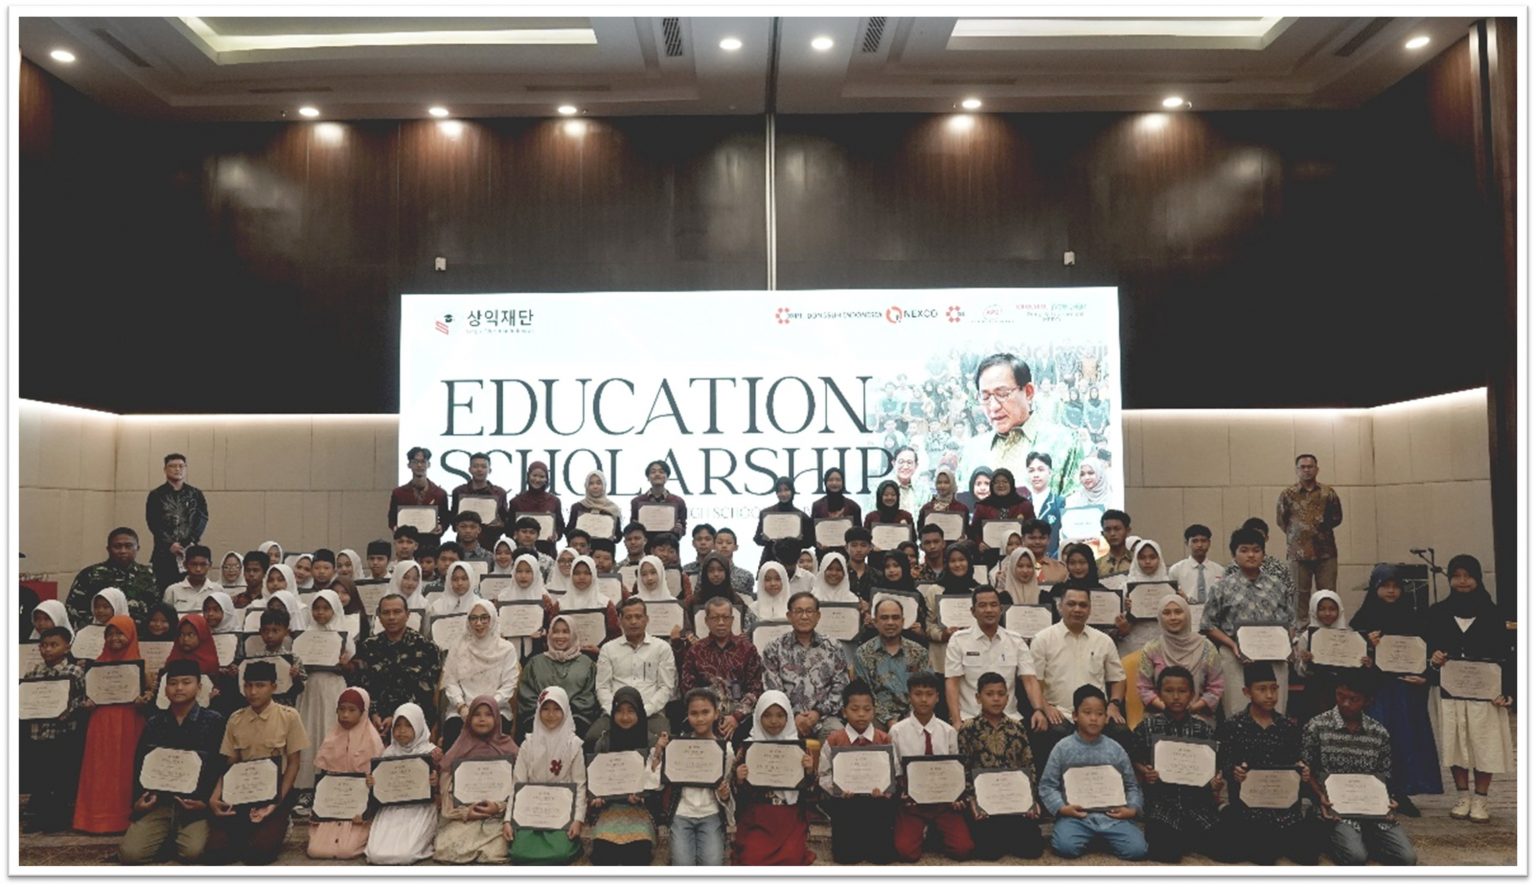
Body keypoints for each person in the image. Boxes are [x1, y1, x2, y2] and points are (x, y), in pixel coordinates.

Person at [1348, 565, 1442, 814]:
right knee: (1377, 739)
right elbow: (1350, 654)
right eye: (1385, 586)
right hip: (1376, 690)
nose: (1391, 591)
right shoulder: (1363, 619)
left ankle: (1401, 792)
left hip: (1404, 690)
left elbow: (1428, 651)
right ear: (1375, 588)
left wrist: (1425, 676)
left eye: (1396, 586)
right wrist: (1367, 645)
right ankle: (1375, 791)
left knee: (1404, 739)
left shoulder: (1414, 617)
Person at [1426, 554, 1513, 824]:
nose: (1462, 581)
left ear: (1478, 578)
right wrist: (1434, 658)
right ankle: (1463, 796)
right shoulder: (1437, 612)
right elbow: (1427, 649)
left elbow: (1508, 656)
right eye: (1457, 576)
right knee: (1456, 743)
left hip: (1485, 695)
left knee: (1484, 744)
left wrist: (1508, 691)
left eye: (1468, 576)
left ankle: (1481, 799)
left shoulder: (1494, 613)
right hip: (1451, 692)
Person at [1303, 671, 1419, 866]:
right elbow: (1305, 770)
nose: (1345, 703)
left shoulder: (1378, 732)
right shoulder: (1317, 726)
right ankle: (1332, 835)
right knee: (1355, 857)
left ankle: (1364, 838)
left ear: (1368, 701)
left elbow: (1384, 774)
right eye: (1340, 696)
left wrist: (1389, 800)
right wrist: (1319, 796)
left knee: (1407, 858)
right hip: (1335, 809)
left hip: (1373, 809)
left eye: (1353, 699)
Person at [118, 659, 225, 864]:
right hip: (159, 803)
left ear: (199, 686)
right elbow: (140, 764)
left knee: (192, 853)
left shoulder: (214, 721)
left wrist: (204, 802)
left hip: (194, 805)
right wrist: (138, 801)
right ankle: (166, 837)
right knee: (130, 855)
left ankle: (172, 839)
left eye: (186, 682)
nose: (179, 688)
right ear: (165, 689)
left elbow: (220, 766)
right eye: (173, 683)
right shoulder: (154, 723)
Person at [1212, 662, 1317, 865]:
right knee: (1252, 854)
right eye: (1262, 689)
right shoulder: (1233, 726)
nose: (1270, 695)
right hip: (1248, 808)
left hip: (1284, 809)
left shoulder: (1287, 726)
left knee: (1309, 855)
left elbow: (1297, 762)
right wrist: (1234, 771)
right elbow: (1224, 762)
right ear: (1247, 692)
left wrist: (1303, 771)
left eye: (1274, 689)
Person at [203, 661, 307, 864]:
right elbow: (230, 764)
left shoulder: (289, 717)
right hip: (242, 792)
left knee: (259, 854)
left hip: (275, 792)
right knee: (216, 852)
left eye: (260, 685)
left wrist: (276, 802)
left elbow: (294, 763)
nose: (253, 692)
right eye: (248, 685)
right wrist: (214, 797)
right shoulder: (236, 719)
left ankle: (282, 823)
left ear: (273, 687)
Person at [1038, 684, 1148, 861]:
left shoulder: (1115, 749)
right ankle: (1091, 837)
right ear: (1075, 715)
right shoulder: (1062, 748)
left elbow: (1132, 785)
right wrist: (1062, 808)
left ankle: (1101, 838)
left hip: (1112, 817)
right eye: (1087, 712)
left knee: (1137, 850)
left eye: (1100, 714)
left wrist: (1132, 810)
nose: (1094, 719)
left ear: (1106, 717)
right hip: (1076, 817)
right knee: (1066, 846)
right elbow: (1047, 785)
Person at [1026, 587, 1131, 768]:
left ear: (1090, 609)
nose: (1077, 609)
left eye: (1083, 605)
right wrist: (1045, 707)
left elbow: (1118, 678)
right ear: (1060, 606)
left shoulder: (1103, 640)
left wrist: (1114, 705)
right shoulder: (1042, 639)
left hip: (1097, 714)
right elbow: (1035, 681)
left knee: (1121, 731)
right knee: (1052, 732)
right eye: (1071, 604)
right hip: (1060, 713)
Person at [1130, 666, 1226, 862]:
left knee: (1226, 850)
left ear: (1191, 694)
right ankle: (1183, 838)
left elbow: (1215, 767)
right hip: (1163, 805)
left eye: (1182, 691)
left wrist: (1215, 782)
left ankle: (1188, 837)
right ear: (1159, 694)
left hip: (1197, 804)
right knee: (1166, 853)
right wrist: (1145, 772)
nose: (1176, 697)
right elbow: (1134, 759)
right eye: (1169, 691)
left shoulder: (1203, 729)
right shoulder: (1147, 727)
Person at [1202, 526, 1295, 718]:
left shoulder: (1278, 585)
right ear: (1234, 555)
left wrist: (1287, 646)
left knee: (1275, 712)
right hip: (1235, 657)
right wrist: (1232, 645)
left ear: (1263, 554)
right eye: (1244, 550)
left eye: (1256, 550)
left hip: (1274, 656)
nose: (1251, 555)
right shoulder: (1222, 587)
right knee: (1237, 713)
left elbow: (1291, 621)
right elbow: (1207, 625)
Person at [962, 353, 1084, 498]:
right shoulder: (972, 451)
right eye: (985, 397)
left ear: (1028, 392)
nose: (993, 406)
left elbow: (1078, 506)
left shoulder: (1064, 443)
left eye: (1002, 394)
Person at [74, 614, 151, 833]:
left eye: (120, 633)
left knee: (126, 769)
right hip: (101, 723)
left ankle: (123, 819)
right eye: (110, 634)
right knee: (100, 769)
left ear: (131, 635)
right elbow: (87, 695)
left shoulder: (139, 666)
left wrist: (144, 699)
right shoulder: (97, 664)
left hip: (129, 722)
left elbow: (149, 693)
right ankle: (94, 819)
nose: (115, 638)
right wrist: (87, 703)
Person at [956, 671, 1042, 860]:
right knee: (989, 852)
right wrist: (972, 802)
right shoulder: (968, 729)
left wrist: (1031, 799)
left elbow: (1028, 765)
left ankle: (1009, 834)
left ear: (1007, 697)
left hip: (1013, 800)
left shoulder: (1017, 728)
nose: (996, 699)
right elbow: (963, 769)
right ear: (978, 698)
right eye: (989, 694)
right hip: (984, 804)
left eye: (1001, 694)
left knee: (1032, 850)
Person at [890, 671, 974, 862]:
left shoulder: (948, 731)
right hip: (912, 804)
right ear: (909, 697)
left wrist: (956, 796)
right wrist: (903, 792)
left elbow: (955, 770)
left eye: (929, 694)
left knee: (962, 849)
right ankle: (921, 829)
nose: (924, 699)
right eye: (918, 694)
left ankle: (934, 832)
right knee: (906, 853)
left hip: (944, 803)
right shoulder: (897, 731)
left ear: (938, 697)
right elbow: (896, 770)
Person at [814, 679, 897, 864]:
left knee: (882, 858)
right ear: (844, 712)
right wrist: (837, 788)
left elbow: (895, 772)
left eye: (867, 709)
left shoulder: (884, 739)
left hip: (877, 803)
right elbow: (823, 774)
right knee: (846, 857)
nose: (861, 714)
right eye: (854, 709)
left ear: (874, 711)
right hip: (846, 804)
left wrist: (885, 789)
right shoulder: (834, 740)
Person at [731, 690, 816, 865]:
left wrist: (808, 771)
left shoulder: (798, 748)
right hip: (758, 817)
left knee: (791, 858)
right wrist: (739, 778)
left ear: (788, 717)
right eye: (767, 715)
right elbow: (739, 791)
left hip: (789, 817)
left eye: (780, 715)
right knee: (751, 858)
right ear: (758, 717)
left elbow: (809, 789)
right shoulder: (748, 747)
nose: (774, 721)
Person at [504, 687, 587, 864]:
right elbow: (517, 783)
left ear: (565, 710)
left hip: (561, 811)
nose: (551, 715)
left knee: (561, 853)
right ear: (538, 710)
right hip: (531, 809)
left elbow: (580, 786)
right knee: (519, 852)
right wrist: (508, 820)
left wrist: (578, 820)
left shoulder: (573, 745)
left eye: (557, 709)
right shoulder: (528, 744)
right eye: (546, 709)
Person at [434, 695, 518, 864]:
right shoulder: (460, 747)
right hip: (465, 816)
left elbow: (518, 785)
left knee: (497, 850)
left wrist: (499, 807)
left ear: (497, 718)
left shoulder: (508, 747)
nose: (482, 719)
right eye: (477, 714)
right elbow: (446, 787)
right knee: (446, 847)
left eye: (488, 714)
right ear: (469, 718)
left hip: (497, 817)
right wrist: (465, 812)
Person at [943, 587, 1043, 726]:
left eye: (994, 605)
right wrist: (956, 720)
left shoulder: (1015, 640)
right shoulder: (958, 640)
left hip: (1010, 719)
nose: (989, 610)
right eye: (982, 605)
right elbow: (952, 683)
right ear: (973, 611)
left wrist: (1038, 710)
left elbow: (1030, 679)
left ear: (1001, 609)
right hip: (970, 719)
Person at [587, 687, 663, 865]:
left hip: (640, 810)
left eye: (630, 711)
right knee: (603, 854)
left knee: (637, 855)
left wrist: (643, 795)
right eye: (619, 711)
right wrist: (598, 798)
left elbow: (656, 781)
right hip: (609, 809)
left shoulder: (651, 742)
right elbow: (596, 779)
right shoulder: (604, 742)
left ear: (639, 713)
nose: (625, 717)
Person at [305, 686, 384, 860]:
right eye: (341, 709)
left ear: (363, 712)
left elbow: (379, 784)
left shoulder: (373, 741)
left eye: (352, 710)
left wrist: (367, 812)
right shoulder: (331, 738)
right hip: (332, 808)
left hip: (359, 813)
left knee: (346, 850)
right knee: (316, 850)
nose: (345, 715)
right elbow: (323, 781)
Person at [760, 592, 850, 740]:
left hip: (825, 717)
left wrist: (817, 713)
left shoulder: (833, 647)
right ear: (789, 616)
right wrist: (794, 715)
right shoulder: (774, 648)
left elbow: (841, 686)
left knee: (838, 736)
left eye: (809, 611)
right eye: (798, 611)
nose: (804, 616)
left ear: (818, 616)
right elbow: (772, 689)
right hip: (785, 718)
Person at [21, 626, 86, 833]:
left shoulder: (75, 672)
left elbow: (81, 699)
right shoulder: (33, 672)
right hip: (38, 734)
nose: (47, 649)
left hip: (63, 735)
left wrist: (69, 710)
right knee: (40, 776)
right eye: (43, 645)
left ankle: (57, 818)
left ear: (67, 648)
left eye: (53, 645)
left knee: (61, 778)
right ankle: (38, 817)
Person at [294, 589, 354, 808]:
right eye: (316, 608)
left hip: (332, 689)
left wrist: (345, 664)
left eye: (326, 608)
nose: (320, 613)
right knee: (309, 733)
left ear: (335, 609)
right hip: (309, 690)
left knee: (330, 731)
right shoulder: (304, 636)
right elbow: (299, 667)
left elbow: (351, 668)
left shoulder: (343, 635)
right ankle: (307, 787)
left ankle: (332, 783)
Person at [588, 597, 675, 747]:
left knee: (664, 743)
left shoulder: (662, 648)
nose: (633, 621)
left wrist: (643, 711)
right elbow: (602, 687)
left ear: (647, 619)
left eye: (638, 617)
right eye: (628, 617)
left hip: (651, 714)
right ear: (620, 621)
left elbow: (666, 687)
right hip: (614, 713)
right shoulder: (608, 649)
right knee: (592, 739)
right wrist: (616, 712)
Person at [354, 593, 443, 734]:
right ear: (379, 616)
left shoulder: (426, 647)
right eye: (386, 613)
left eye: (397, 612)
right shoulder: (368, 647)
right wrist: (374, 713)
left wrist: (397, 716)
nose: (391, 617)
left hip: (413, 722)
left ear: (407, 615)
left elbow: (426, 692)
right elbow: (364, 685)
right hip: (375, 721)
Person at [364, 703, 440, 865]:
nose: (402, 730)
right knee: (375, 853)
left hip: (420, 808)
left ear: (418, 726)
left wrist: (435, 780)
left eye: (408, 725)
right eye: (397, 725)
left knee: (406, 854)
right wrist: (374, 782)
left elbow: (444, 785)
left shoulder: (431, 752)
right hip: (391, 808)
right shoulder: (389, 753)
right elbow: (382, 785)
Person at [680, 596, 764, 742]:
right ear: (706, 621)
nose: (721, 622)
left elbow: (755, 688)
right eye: (715, 618)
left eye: (725, 617)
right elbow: (688, 689)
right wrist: (710, 715)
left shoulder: (747, 649)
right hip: (704, 718)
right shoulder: (695, 651)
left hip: (741, 719)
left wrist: (737, 716)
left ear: (732, 619)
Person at [666, 688, 734, 866]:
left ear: (716, 713)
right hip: (682, 813)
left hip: (710, 814)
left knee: (712, 863)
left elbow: (727, 789)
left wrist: (724, 794)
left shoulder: (726, 750)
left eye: (705, 712)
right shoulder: (678, 746)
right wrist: (660, 751)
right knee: (682, 864)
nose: (700, 718)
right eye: (694, 713)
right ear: (687, 715)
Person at [440, 599, 519, 749]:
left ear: (492, 618)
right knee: (452, 733)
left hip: (495, 709)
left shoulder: (506, 649)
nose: (478, 623)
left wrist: (488, 708)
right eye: (473, 618)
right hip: (462, 710)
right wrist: (462, 707)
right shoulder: (458, 647)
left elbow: (509, 685)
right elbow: (450, 681)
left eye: (484, 618)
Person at [1276, 454, 1343, 622]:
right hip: (1298, 554)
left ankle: (1327, 631)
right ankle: (1300, 631)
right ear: (1297, 470)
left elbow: (1337, 518)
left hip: (1325, 552)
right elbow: (1282, 521)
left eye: (1310, 466)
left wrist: (1317, 531)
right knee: (1298, 595)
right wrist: (1300, 535)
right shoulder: (1288, 494)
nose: (1306, 470)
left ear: (1317, 469)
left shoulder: (1328, 493)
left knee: (1327, 595)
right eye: (1303, 467)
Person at [1136, 595, 1223, 724]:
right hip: (1160, 718)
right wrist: (1169, 709)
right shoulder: (1152, 649)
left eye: (1178, 612)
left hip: (1199, 717)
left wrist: (1192, 709)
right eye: (1166, 613)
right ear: (1160, 617)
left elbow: (1216, 687)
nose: (1173, 617)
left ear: (1187, 614)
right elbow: (1144, 688)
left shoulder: (1207, 648)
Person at [516, 615, 600, 738]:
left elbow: (588, 697)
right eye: (556, 632)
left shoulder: (587, 664)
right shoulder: (535, 663)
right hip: (539, 724)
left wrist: (563, 715)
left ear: (573, 634)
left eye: (565, 632)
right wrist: (547, 713)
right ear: (549, 634)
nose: (560, 636)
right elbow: (527, 695)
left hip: (577, 726)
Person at [854, 597, 931, 730]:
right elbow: (865, 694)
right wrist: (889, 720)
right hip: (877, 718)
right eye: (884, 618)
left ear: (903, 621)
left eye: (895, 618)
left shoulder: (919, 652)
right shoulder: (863, 653)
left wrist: (908, 720)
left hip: (915, 715)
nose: (890, 622)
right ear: (875, 622)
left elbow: (926, 691)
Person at [66, 527, 160, 627]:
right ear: (108, 549)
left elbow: (158, 610)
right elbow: (73, 610)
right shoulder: (90, 575)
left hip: (140, 633)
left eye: (128, 546)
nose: (123, 551)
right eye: (117, 546)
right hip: (101, 631)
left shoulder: (150, 575)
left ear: (137, 548)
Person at [144, 453, 211, 591]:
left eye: (181, 466)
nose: (177, 469)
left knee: (192, 588)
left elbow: (202, 518)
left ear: (186, 468)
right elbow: (153, 522)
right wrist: (169, 544)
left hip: (190, 550)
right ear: (165, 469)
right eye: (173, 466)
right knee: (164, 590)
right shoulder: (156, 495)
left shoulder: (195, 494)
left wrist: (191, 541)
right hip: (164, 551)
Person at [968, 468, 1036, 565]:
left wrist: (1025, 543)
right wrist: (979, 543)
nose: (1001, 485)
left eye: (1004, 482)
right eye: (997, 482)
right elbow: (973, 531)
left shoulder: (1024, 505)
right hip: (989, 556)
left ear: (1011, 483)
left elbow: (1032, 530)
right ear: (992, 485)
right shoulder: (982, 506)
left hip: (1019, 556)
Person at [554, 555, 620, 654]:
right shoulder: (560, 604)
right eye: (577, 573)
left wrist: (600, 651)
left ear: (593, 575)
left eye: (587, 573)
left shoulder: (605, 603)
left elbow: (615, 636)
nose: (581, 577)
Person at [389, 446, 452, 541]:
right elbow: (392, 518)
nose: (419, 465)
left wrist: (441, 527)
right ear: (409, 465)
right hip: (407, 542)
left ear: (428, 464)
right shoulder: (398, 493)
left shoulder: (440, 494)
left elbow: (446, 519)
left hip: (431, 542)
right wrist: (395, 528)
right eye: (415, 462)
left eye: (423, 462)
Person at [506, 461, 565, 557]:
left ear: (547, 479)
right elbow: (509, 529)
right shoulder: (516, 502)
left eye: (542, 476)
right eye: (534, 475)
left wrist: (556, 535)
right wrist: (516, 536)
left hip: (547, 551)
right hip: (521, 552)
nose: (537, 480)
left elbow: (560, 526)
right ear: (528, 476)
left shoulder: (554, 501)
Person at [753, 476, 814, 567]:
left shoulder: (802, 517)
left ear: (792, 491)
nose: (783, 494)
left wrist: (798, 540)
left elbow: (809, 542)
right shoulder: (767, 514)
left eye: (786, 490)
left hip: (793, 562)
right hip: (770, 559)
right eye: (779, 491)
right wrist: (766, 538)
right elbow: (757, 539)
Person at [450, 451, 509, 540]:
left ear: (489, 470)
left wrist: (500, 525)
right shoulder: (459, 492)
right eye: (475, 466)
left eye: (483, 467)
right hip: (464, 541)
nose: (479, 470)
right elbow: (453, 520)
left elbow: (506, 521)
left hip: (491, 540)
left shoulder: (500, 493)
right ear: (469, 469)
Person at [1021, 451, 1065, 556]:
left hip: (1052, 560)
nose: (1036, 475)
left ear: (1050, 472)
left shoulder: (1060, 503)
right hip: (1026, 561)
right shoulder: (1022, 504)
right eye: (1031, 471)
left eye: (1041, 470)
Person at [630, 458, 687, 539]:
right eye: (653, 472)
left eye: (661, 472)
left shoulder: (678, 502)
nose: (657, 474)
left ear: (667, 477)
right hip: (646, 545)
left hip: (669, 544)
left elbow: (683, 529)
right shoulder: (637, 502)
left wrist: (679, 529)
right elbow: (632, 528)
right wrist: (635, 526)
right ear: (648, 477)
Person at [1167, 524, 1224, 604]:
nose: (1199, 545)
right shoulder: (1176, 570)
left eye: (1203, 541)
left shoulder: (1220, 570)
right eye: (1195, 541)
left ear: (1209, 543)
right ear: (1187, 543)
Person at [917, 467, 970, 546]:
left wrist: (964, 539)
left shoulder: (962, 509)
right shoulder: (927, 508)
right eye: (939, 482)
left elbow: (967, 532)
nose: (942, 486)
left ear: (952, 484)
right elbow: (920, 532)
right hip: (932, 550)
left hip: (955, 550)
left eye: (946, 482)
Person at [567, 470, 623, 543]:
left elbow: (618, 535)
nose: (595, 486)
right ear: (586, 486)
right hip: (581, 549)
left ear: (604, 485)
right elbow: (569, 531)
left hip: (604, 548)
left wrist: (611, 537)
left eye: (598, 483)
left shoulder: (612, 508)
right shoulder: (577, 507)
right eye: (591, 483)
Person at [809, 467, 862, 540]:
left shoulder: (853, 507)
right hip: (823, 547)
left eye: (838, 480)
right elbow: (811, 533)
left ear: (843, 483)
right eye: (830, 480)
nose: (834, 483)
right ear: (825, 483)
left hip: (847, 547)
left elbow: (859, 535)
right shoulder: (817, 506)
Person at [162, 545, 217, 612]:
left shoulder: (217, 590)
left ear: (210, 565)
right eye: (194, 564)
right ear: (185, 565)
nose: (198, 569)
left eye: (203, 564)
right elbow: (166, 616)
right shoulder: (172, 590)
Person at [1094, 509, 1134, 579]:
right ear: (1102, 534)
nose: (1112, 534)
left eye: (1117, 529)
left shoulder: (1138, 561)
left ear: (1127, 530)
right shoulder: (1097, 565)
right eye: (1107, 529)